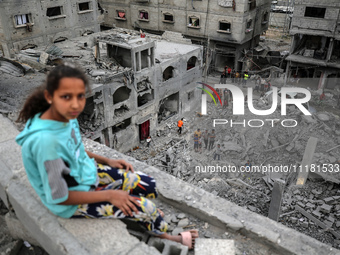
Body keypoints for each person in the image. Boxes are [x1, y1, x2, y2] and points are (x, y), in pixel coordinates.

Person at [15, 64, 198, 248]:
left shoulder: (64, 117)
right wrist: (110, 195)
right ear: (49, 96)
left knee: (146, 183)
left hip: (84, 174)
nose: (76, 104)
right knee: (146, 208)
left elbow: (74, 148)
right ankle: (167, 237)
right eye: (66, 97)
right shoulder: (45, 143)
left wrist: (106, 160)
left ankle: (142, 212)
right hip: (71, 201)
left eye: (80, 96)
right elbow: (60, 197)